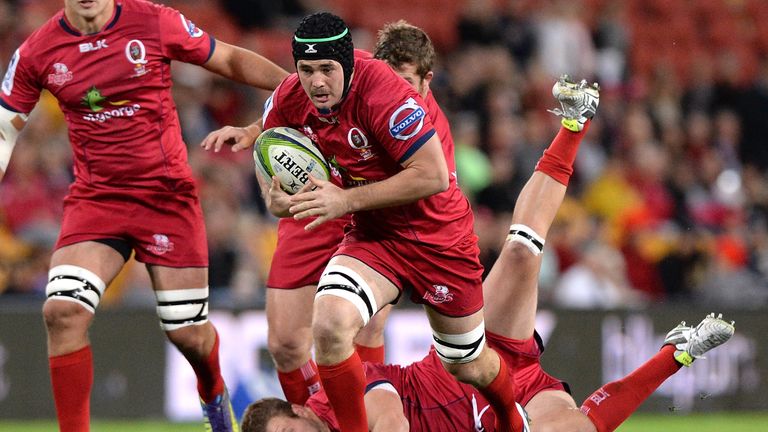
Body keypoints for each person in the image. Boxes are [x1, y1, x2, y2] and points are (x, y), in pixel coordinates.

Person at [237, 76, 736, 432]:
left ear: (298, 411)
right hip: (508, 409)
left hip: (472, 357)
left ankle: (573, 124)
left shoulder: (333, 398)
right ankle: (679, 352)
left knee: (521, 252)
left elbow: (387, 416)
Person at [0, 0, 289, 430]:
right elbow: (6, 128)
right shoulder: (38, 51)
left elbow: (226, 57)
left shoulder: (153, 21)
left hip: (165, 200)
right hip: (96, 202)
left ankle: (214, 398)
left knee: (188, 335)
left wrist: (293, 88)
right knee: (62, 312)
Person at [259, 11, 530, 432]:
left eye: (327, 69)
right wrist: (278, 200)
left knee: (467, 363)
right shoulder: (289, 98)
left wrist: (345, 199)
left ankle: (513, 418)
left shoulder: (385, 93)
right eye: (306, 69)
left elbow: (433, 176)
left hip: (439, 237)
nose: (316, 82)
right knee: (330, 324)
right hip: (375, 236)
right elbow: (269, 159)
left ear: (349, 64)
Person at [199, 20, 457, 407]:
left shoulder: (424, 125)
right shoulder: (337, 76)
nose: (401, 93)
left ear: (427, 81)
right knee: (285, 344)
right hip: (318, 201)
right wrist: (263, 161)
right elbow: (277, 127)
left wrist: (353, 202)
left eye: (408, 82)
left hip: (376, 214)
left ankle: (358, 420)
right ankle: (318, 418)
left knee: (365, 330)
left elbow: (430, 185)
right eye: (393, 79)